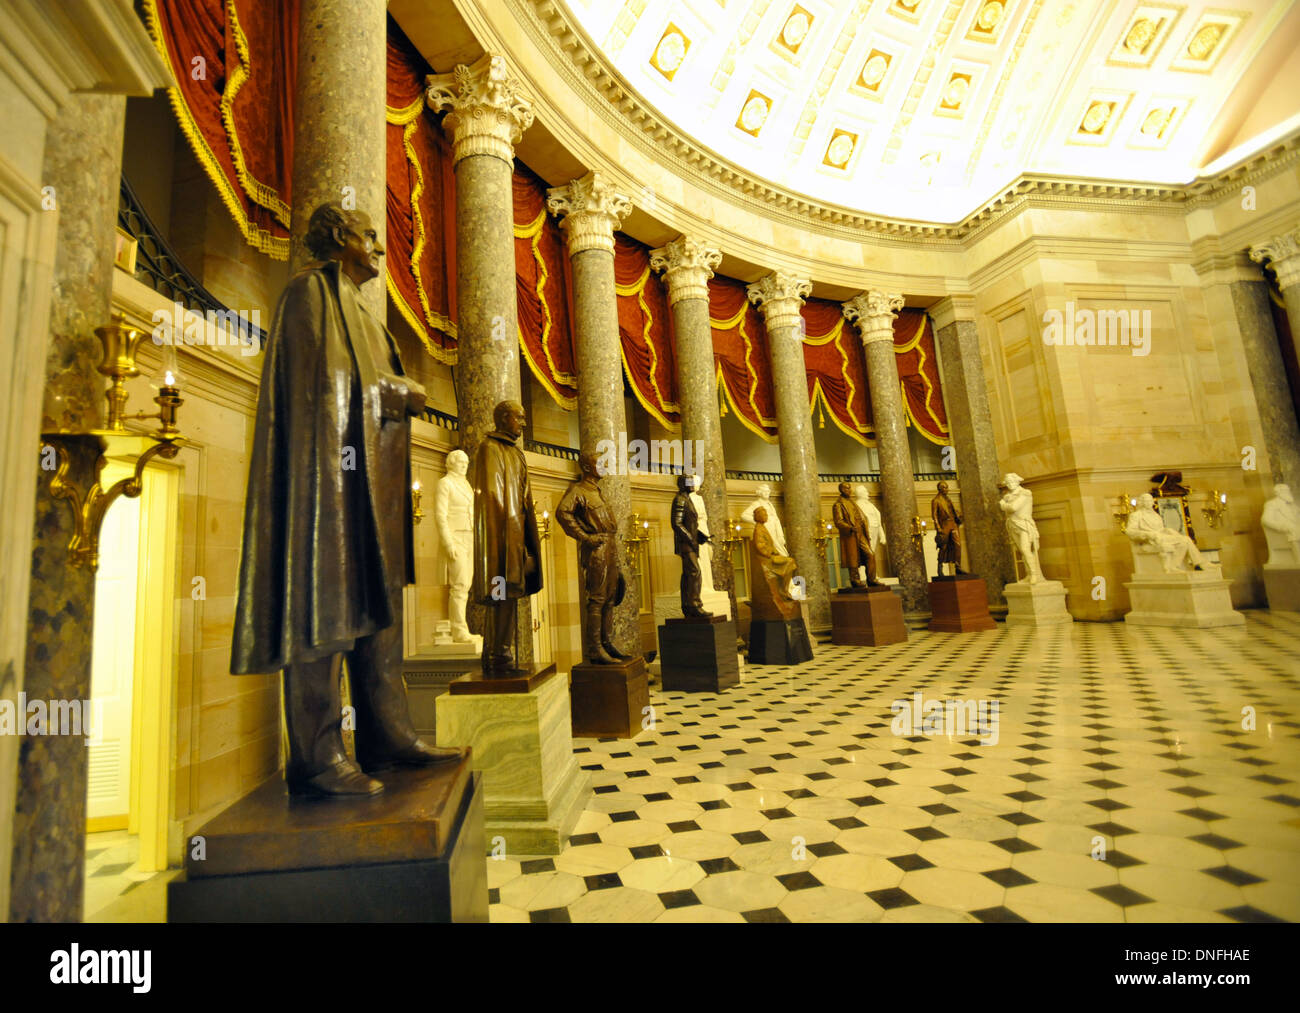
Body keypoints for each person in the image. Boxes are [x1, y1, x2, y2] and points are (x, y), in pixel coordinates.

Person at [231, 202, 459, 798]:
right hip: (327, 486)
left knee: (380, 615)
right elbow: (321, 386)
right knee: (324, 614)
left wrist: (393, 391)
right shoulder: (309, 294)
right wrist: (395, 389)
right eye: (369, 236)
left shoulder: (364, 312)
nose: (381, 249)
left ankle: (388, 736)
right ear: (338, 238)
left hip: (374, 489)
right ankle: (318, 756)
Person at [472, 400, 543, 675]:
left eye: (525, 418)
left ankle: (501, 655)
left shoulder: (515, 452)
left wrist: (524, 540)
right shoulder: (490, 448)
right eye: (519, 418)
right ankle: (497, 656)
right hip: (500, 538)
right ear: (503, 418)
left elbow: (523, 497)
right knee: (499, 596)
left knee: (510, 595)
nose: (523, 424)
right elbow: (492, 497)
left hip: (515, 535)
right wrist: (506, 541)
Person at [556, 451, 631, 664]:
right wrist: (585, 537)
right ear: (588, 467)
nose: (604, 466)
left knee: (610, 597)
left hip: (609, 545)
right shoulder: (578, 490)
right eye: (600, 463)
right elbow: (563, 513)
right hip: (596, 549)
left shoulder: (597, 491)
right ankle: (595, 649)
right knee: (597, 599)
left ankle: (607, 643)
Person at [435, 449, 476, 643]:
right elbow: (440, 516)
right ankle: (459, 630)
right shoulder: (445, 483)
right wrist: (447, 541)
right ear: (451, 463)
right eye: (460, 462)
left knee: (466, 584)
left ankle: (460, 626)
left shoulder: (466, 484)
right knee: (459, 585)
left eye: (466, 462)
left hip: (470, 537)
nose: (464, 465)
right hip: (456, 538)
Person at [1125, 492, 1205, 572]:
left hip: (1161, 537)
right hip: (1150, 540)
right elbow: (1130, 531)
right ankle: (1200, 563)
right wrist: (1147, 534)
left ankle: (1174, 566)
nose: (1148, 503)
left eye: (1150, 501)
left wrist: (1168, 531)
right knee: (1186, 539)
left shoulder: (1155, 515)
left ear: (1153, 502)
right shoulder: (1136, 515)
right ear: (1141, 502)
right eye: (1146, 501)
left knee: (1183, 543)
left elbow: (1161, 529)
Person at [671, 473, 713, 618]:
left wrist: (700, 536)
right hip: (686, 545)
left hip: (691, 543)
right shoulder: (680, 500)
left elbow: (691, 524)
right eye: (689, 482)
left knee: (689, 574)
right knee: (695, 573)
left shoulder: (687, 499)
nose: (692, 485)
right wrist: (691, 538)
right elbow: (677, 524)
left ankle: (688, 606)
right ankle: (695, 605)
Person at [748, 505, 800, 621]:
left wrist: (775, 552)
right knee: (790, 562)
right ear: (758, 516)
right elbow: (760, 546)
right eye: (764, 514)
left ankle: (784, 589)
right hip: (767, 560)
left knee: (790, 563)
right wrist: (772, 553)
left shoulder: (762, 528)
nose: (766, 516)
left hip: (771, 556)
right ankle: (783, 591)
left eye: (766, 514)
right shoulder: (758, 529)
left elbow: (769, 545)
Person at [832, 482, 881, 589]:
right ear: (841, 490)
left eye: (849, 488)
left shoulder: (852, 502)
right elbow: (838, 521)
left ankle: (871, 579)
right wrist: (849, 528)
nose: (849, 490)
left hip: (861, 533)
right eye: (846, 488)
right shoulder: (838, 504)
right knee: (853, 558)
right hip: (850, 534)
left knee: (870, 554)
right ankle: (855, 580)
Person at [999, 473, 1043, 583]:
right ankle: (1029, 574)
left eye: (1012, 482)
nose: (1010, 484)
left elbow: (1014, 507)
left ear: (1017, 481)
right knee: (1022, 552)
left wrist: (1003, 505)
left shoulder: (1025, 493)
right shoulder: (1007, 496)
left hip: (1024, 525)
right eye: (1008, 483)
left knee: (1025, 549)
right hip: (1013, 525)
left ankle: (1034, 574)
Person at [741, 482, 787, 555]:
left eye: (768, 491)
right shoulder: (756, 504)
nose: (767, 493)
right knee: (777, 549)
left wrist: (780, 535)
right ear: (760, 493)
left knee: (780, 547)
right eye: (765, 491)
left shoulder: (770, 504)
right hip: (766, 528)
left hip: (775, 528)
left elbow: (776, 519)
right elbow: (744, 515)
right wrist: (758, 522)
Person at [931, 481, 965, 576]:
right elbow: (934, 516)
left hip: (953, 524)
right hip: (944, 525)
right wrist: (938, 528)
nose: (947, 489)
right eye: (945, 488)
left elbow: (953, 511)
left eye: (947, 487)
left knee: (957, 544)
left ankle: (958, 567)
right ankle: (939, 566)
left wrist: (958, 516)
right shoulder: (936, 500)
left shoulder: (949, 499)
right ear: (940, 489)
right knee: (943, 546)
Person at [1261, 483, 1300, 564]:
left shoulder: (1293, 505)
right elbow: (1265, 519)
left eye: (1288, 490)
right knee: (1294, 530)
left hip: (1296, 528)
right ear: (1278, 493)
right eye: (1285, 491)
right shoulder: (1272, 504)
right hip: (1286, 531)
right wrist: (1282, 526)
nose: (1288, 492)